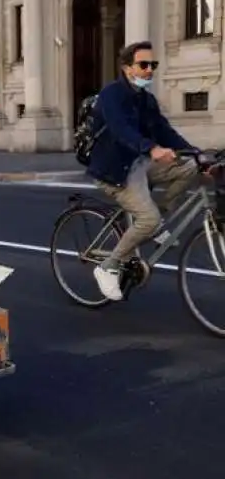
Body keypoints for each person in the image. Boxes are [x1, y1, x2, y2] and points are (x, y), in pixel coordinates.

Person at [87, 41, 203, 301]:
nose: (150, 69)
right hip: (115, 170)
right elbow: (121, 130)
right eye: (144, 64)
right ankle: (108, 267)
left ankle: (156, 220)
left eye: (153, 65)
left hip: (140, 164)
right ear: (128, 68)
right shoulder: (112, 94)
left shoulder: (146, 100)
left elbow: (165, 131)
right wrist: (150, 149)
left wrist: (196, 153)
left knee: (190, 167)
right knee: (147, 220)